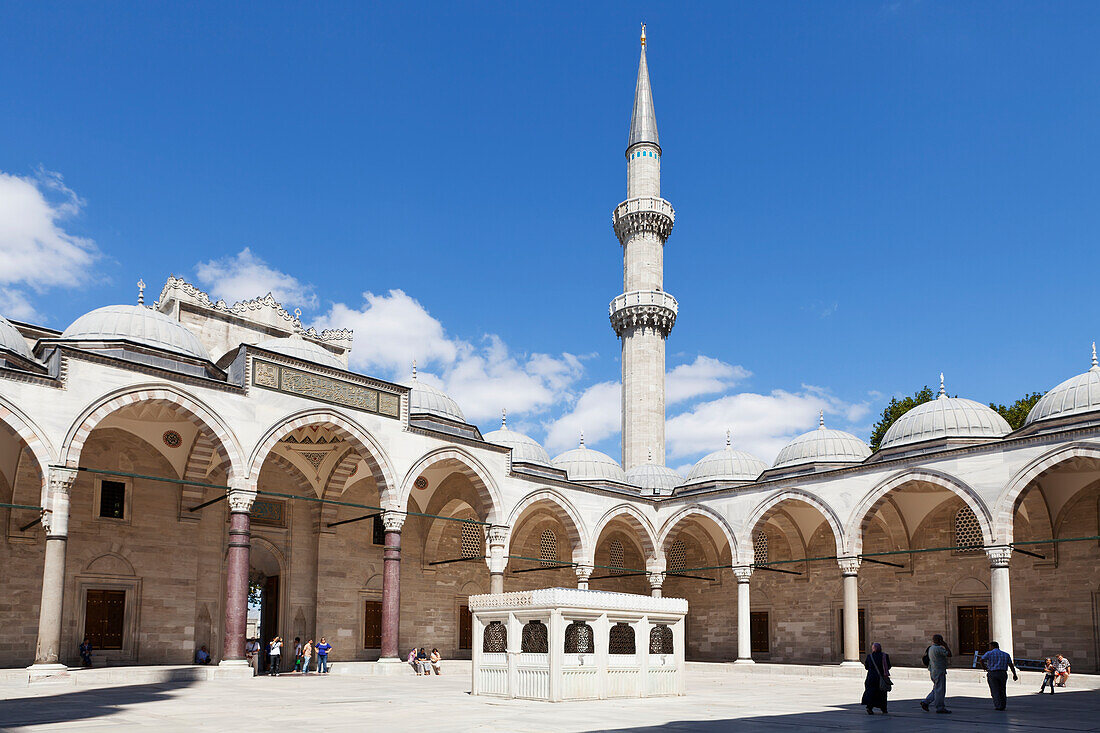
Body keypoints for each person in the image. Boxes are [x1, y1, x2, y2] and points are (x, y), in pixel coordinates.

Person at [979, 641, 1018, 710]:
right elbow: (1011, 665)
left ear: (992, 646)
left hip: (993, 673)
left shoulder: (989, 653)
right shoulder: (1006, 654)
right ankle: (1003, 705)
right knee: (1002, 689)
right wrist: (1014, 674)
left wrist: (984, 667)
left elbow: (981, 660)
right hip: (1002, 673)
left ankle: (998, 705)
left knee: (995, 690)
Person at [920, 634, 952, 714]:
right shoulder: (939, 649)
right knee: (940, 690)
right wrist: (946, 645)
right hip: (939, 671)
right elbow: (949, 654)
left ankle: (926, 702)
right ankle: (940, 707)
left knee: (937, 689)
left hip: (933, 671)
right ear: (939, 640)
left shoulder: (931, 648)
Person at [861, 642, 891, 715]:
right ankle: (884, 709)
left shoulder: (870, 656)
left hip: (871, 678)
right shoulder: (885, 656)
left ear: (874, 648)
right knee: (882, 694)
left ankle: (869, 708)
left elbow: (866, 667)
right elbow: (889, 666)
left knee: (871, 693)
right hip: (882, 678)